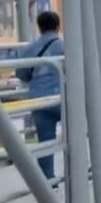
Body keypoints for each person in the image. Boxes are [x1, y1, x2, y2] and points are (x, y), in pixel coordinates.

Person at [15, 10, 64, 180]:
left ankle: (48, 181)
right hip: (63, 99)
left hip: (39, 100)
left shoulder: (28, 49)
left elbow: (21, 74)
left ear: (39, 27)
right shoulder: (64, 47)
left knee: (45, 142)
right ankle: (75, 176)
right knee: (73, 137)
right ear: (58, 26)